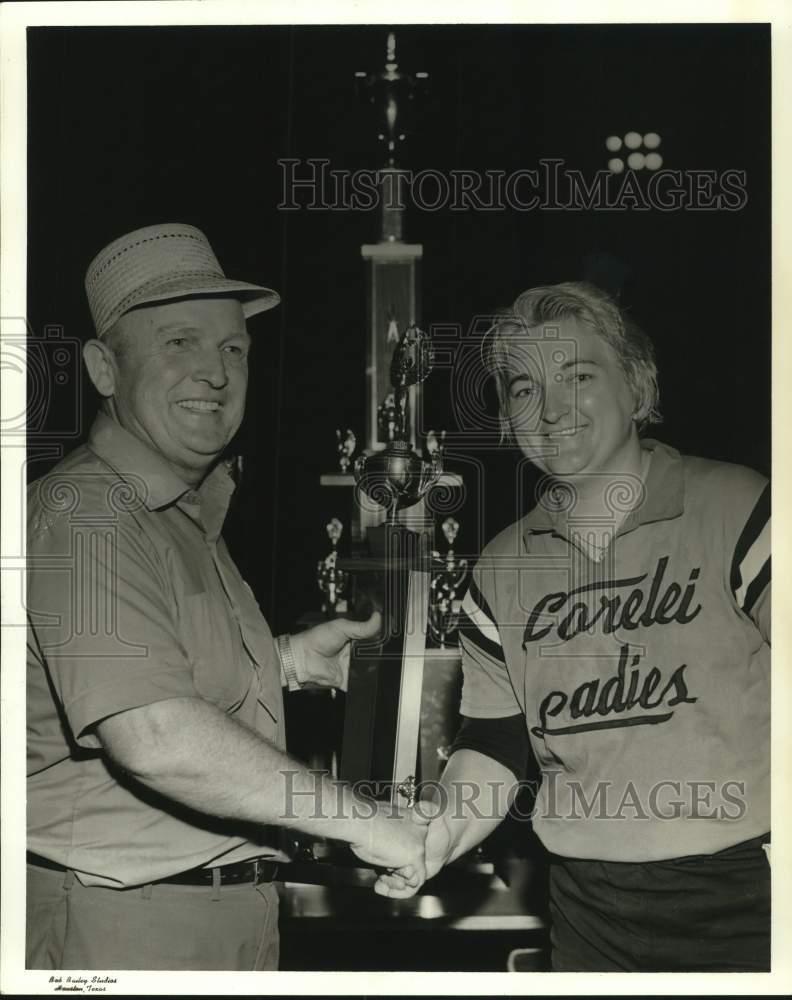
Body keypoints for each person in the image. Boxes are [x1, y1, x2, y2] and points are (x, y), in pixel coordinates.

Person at [26, 223, 427, 971]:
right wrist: (364, 822)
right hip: (124, 927)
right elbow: (155, 734)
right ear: (104, 368)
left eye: (232, 348)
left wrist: (287, 662)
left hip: (217, 915)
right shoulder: (88, 514)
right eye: (179, 343)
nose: (214, 373)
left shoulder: (182, 515)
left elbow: (161, 675)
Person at [376, 281, 771, 973]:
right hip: (588, 914)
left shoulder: (741, 507)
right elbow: (495, 742)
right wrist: (438, 837)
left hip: (751, 896)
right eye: (524, 389)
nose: (552, 409)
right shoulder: (500, 570)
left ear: (637, 386)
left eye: (578, 376)